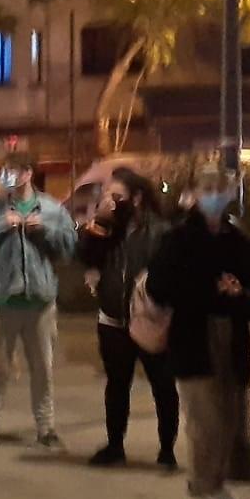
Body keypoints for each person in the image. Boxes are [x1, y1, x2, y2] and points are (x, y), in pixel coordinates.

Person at [147, 164, 250, 499]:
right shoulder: (179, 238)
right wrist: (214, 292)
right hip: (194, 340)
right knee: (206, 421)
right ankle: (199, 494)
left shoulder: (236, 238)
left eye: (221, 186)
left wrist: (239, 296)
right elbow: (161, 286)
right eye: (207, 187)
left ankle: (217, 489)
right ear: (196, 193)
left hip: (231, 339)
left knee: (230, 417)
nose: (215, 193)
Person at [0, 153, 76, 449]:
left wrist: (44, 230)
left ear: (27, 173)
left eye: (11, 171)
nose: (6, 177)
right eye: (4, 172)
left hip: (40, 301)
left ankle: (46, 428)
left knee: (43, 370)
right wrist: (1, 226)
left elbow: (69, 247)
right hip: (4, 301)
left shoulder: (51, 209)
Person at [78, 168, 177, 468]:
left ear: (137, 198)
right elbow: (84, 256)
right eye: (108, 195)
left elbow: (171, 271)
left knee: (162, 384)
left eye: (117, 196)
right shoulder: (107, 230)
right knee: (117, 384)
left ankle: (166, 450)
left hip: (148, 320)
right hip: (112, 318)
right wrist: (98, 224)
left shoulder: (159, 231)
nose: (111, 200)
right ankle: (115, 445)